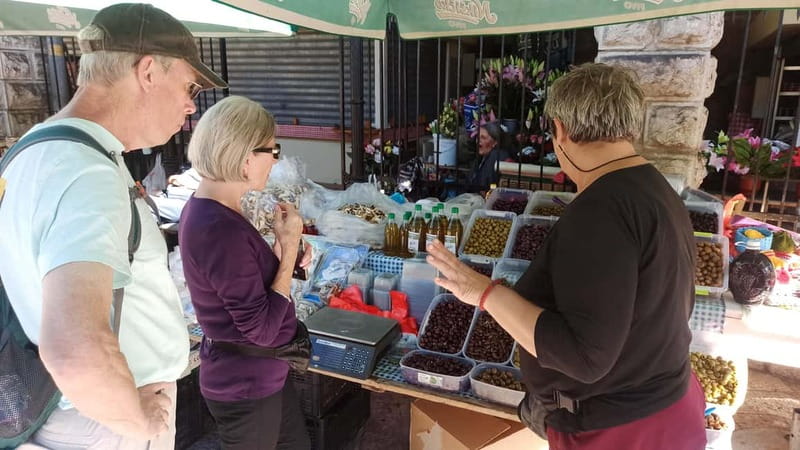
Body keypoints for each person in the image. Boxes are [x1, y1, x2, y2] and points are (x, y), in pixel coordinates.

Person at [425, 63, 705, 450]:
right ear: (630, 127)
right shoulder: (656, 188)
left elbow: (584, 356)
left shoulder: (602, 210)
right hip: (661, 407)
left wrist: (485, 293)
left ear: (560, 130)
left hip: (621, 431)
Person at [0, 4, 227, 448]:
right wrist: (138, 423)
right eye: (189, 86)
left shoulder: (34, 149)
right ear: (147, 72)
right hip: (105, 423)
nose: (189, 105)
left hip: (72, 413)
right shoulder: (86, 173)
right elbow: (76, 349)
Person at [178, 96, 312, 450]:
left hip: (263, 376)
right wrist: (288, 251)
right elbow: (263, 330)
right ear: (245, 157)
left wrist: (284, 252)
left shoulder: (215, 210)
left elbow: (243, 283)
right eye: (273, 149)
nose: (275, 159)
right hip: (246, 386)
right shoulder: (219, 226)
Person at [467, 121, 512, 191]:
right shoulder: (481, 158)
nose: (478, 141)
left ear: (495, 142)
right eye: (477, 137)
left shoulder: (498, 156)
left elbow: (491, 186)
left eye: (483, 138)